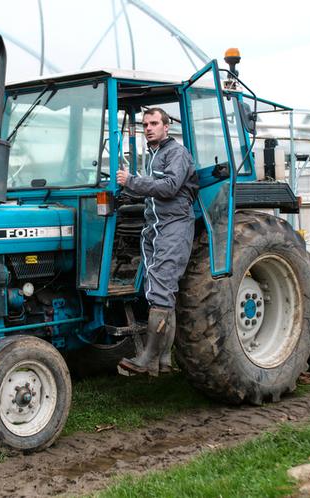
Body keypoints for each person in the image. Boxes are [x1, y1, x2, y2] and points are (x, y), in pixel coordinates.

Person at [116, 107, 198, 376]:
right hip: (156, 227)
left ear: (167, 127)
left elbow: (169, 187)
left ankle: (147, 357)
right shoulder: (154, 156)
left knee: (162, 290)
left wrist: (132, 181)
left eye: (153, 123)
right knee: (160, 293)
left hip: (174, 226)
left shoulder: (176, 153)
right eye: (145, 124)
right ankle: (163, 361)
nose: (148, 128)